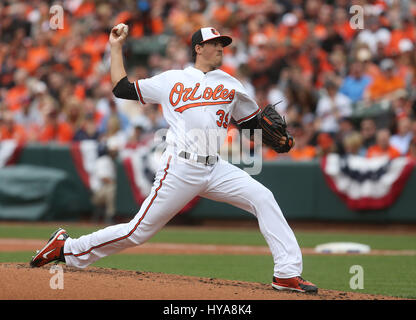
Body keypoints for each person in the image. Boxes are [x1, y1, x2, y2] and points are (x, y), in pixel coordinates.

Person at [29, 26, 317, 294]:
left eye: (222, 44)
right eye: (214, 43)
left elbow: (253, 123)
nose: (220, 48)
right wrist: (115, 47)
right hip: (180, 166)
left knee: (263, 197)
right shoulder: (172, 79)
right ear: (198, 48)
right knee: (138, 231)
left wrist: (278, 137)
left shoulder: (231, 84)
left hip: (215, 166)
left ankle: (286, 273)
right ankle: (67, 249)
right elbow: (122, 89)